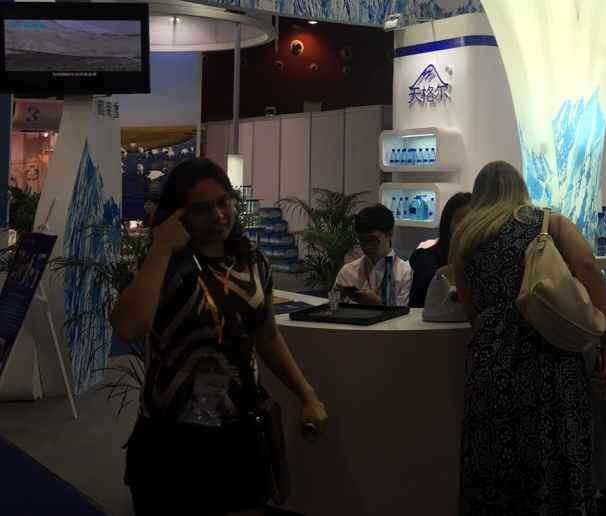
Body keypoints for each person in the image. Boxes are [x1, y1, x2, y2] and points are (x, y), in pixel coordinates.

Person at [110, 158, 328, 516]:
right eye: (201, 209)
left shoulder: (253, 262)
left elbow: (267, 335)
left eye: (224, 202)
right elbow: (128, 327)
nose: (218, 216)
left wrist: (306, 395)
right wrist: (161, 248)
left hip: (237, 432)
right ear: (178, 215)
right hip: (171, 438)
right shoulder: (166, 266)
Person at [451, 161, 606, 516]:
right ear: (520, 188)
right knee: (555, 452)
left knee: (494, 461)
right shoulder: (549, 223)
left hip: (490, 361)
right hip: (549, 356)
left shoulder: (465, 236)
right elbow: (589, 268)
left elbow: (470, 309)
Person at [334, 204, 412, 306]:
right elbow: (333, 309)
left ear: (389, 234)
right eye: (362, 240)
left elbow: (404, 314)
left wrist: (377, 303)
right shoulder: (348, 272)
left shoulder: (405, 273)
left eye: (373, 240)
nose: (367, 246)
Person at [409, 191, 473, 307]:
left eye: (472, 221)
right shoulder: (425, 257)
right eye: (461, 220)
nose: (466, 226)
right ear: (448, 223)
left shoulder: (485, 258)